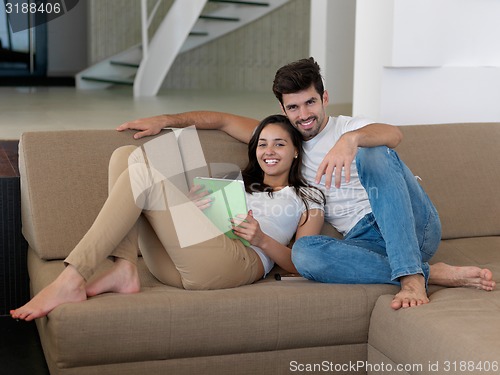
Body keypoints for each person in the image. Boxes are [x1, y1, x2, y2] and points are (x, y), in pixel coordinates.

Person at [116, 57, 496, 310]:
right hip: (364, 239)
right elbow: (219, 120)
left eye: (310, 103)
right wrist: (166, 118)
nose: (304, 114)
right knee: (307, 253)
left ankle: (412, 277)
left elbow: (393, 135)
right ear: (283, 109)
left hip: (414, 227)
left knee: (374, 152)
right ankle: (433, 273)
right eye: (293, 107)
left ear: (324, 98)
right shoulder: (288, 141)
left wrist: (351, 142)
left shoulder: (350, 127)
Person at [10, 114, 325, 321]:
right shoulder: (238, 183)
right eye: (263, 144)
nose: (268, 151)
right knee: (126, 156)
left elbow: (305, 263)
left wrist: (261, 239)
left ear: (296, 151)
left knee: (144, 173)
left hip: (238, 263)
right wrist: (195, 207)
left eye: (279, 144)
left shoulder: (307, 197)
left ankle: (72, 278)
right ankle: (125, 269)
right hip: (186, 262)